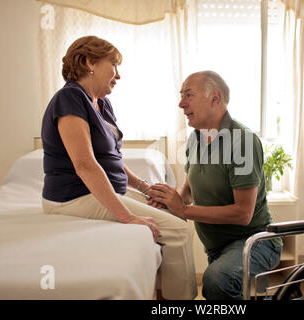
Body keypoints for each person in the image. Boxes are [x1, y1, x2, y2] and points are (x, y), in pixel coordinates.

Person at [40, 36, 197, 300]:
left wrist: (142, 186)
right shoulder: (69, 99)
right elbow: (85, 165)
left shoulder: (101, 103)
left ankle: (161, 295)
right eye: (113, 64)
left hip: (99, 191)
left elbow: (111, 159)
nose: (118, 75)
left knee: (174, 213)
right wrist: (127, 216)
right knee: (180, 232)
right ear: (89, 62)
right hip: (73, 197)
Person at [148, 71, 283, 300]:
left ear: (215, 97)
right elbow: (189, 190)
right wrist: (168, 202)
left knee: (216, 282)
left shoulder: (243, 141)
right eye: (181, 96)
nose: (181, 104)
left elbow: (243, 214)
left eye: (188, 95)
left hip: (255, 242)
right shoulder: (195, 139)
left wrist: (183, 210)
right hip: (218, 248)